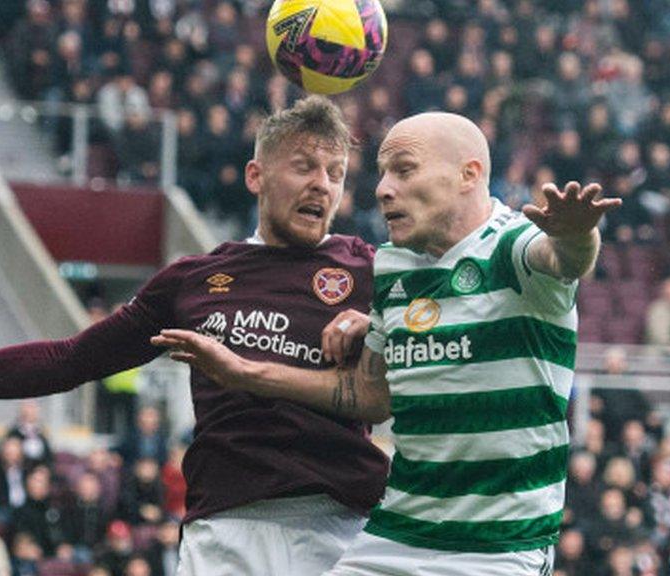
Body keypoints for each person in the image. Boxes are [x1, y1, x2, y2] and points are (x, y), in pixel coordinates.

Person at [0, 95, 389, 575]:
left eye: (336, 172)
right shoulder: (193, 280)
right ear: (256, 176)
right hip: (228, 533)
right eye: (304, 166)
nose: (323, 182)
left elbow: (443, 336)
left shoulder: (367, 268)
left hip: (345, 528)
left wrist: (378, 327)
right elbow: (68, 360)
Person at [152, 112, 620, 574]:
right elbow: (363, 394)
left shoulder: (511, 247)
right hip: (398, 533)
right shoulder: (395, 266)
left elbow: (561, 258)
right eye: (381, 173)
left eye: (404, 169)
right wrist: (246, 373)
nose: (381, 189)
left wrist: (579, 234)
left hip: (497, 549)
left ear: (468, 174)